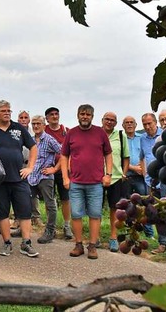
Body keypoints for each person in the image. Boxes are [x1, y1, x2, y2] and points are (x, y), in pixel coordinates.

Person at [60, 104, 112, 260]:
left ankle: (92, 245)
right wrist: (65, 177)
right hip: (76, 182)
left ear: (92, 117)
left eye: (88, 114)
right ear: (78, 115)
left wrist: (108, 174)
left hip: (96, 182)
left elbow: (108, 154)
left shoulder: (100, 133)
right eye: (82, 114)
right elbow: (64, 156)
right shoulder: (71, 133)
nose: (85, 117)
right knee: (76, 214)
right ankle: (78, 245)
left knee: (95, 214)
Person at [0, 100, 39, 258]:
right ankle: (7, 243)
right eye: (3, 110)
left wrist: (30, 167)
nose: (7, 113)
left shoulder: (18, 128)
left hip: (19, 178)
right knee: (2, 213)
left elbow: (33, 147)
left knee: (25, 212)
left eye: (9, 111)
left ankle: (26, 243)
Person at [140, 112, 166, 255]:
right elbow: (143, 158)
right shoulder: (142, 139)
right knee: (157, 213)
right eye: (144, 124)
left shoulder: (165, 135)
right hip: (150, 182)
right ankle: (163, 243)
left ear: (155, 123)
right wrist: (145, 174)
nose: (147, 127)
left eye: (149, 123)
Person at [29, 115, 61, 244]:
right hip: (32, 176)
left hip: (45, 176)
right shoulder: (31, 140)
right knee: (27, 202)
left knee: (50, 204)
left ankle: (50, 231)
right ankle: (24, 227)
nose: (36, 126)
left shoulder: (49, 139)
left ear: (43, 125)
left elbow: (64, 153)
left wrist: (54, 169)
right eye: (34, 123)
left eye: (38, 123)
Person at [101, 112, 129, 253]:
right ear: (102, 120)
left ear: (116, 123)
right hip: (98, 177)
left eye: (112, 120)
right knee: (96, 209)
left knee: (114, 209)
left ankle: (113, 238)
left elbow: (126, 156)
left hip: (116, 177)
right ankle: (96, 237)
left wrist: (124, 173)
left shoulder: (120, 135)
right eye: (107, 119)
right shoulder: (96, 134)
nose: (109, 122)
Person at [122, 115, 154, 239]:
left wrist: (142, 167)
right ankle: (130, 231)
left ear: (136, 125)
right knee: (128, 205)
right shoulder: (121, 138)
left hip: (141, 177)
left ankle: (149, 233)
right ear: (123, 125)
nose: (129, 124)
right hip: (127, 177)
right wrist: (132, 167)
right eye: (126, 122)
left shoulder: (142, 138)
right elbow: (119, 158)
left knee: (145, 203)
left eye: (131, 122)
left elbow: (145, 155)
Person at [44, 106, 73, 239]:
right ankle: (50, 226)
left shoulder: (66, 131)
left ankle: (67, 226)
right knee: (49, 199)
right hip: (46, 169)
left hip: (63, 170)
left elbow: (67, 153)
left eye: (56, 114)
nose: (54, 116)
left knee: (65, 199)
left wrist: (57, 168)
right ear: (47, 118)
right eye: (51, 115)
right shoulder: (44, 131)